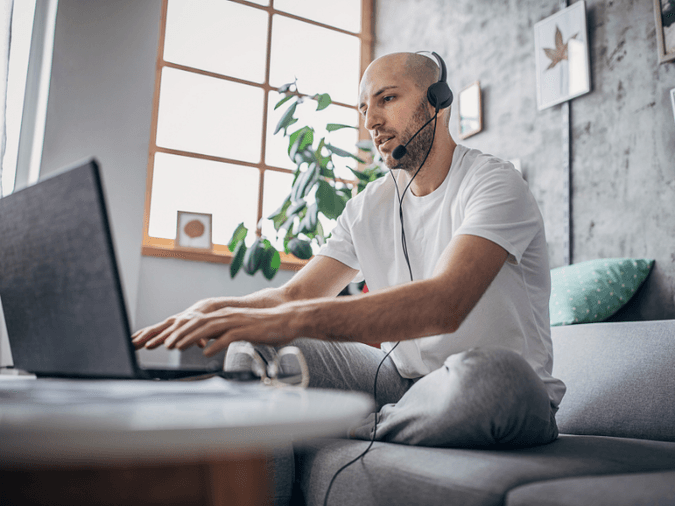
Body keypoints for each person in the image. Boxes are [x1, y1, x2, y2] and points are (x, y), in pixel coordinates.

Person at [132, 52, 565, 450]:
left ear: (438, 100)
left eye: (387, 98)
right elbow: (295, 296)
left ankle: (356, 427)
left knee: (492, 378)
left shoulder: (493, 181)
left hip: (500, 394)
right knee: (254, 340)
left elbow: (445, 303)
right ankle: (354, 435)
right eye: (363, 109)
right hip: (404, 387)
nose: (371, 121)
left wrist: (287, 321)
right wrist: (212, 309)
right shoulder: (367, 206)